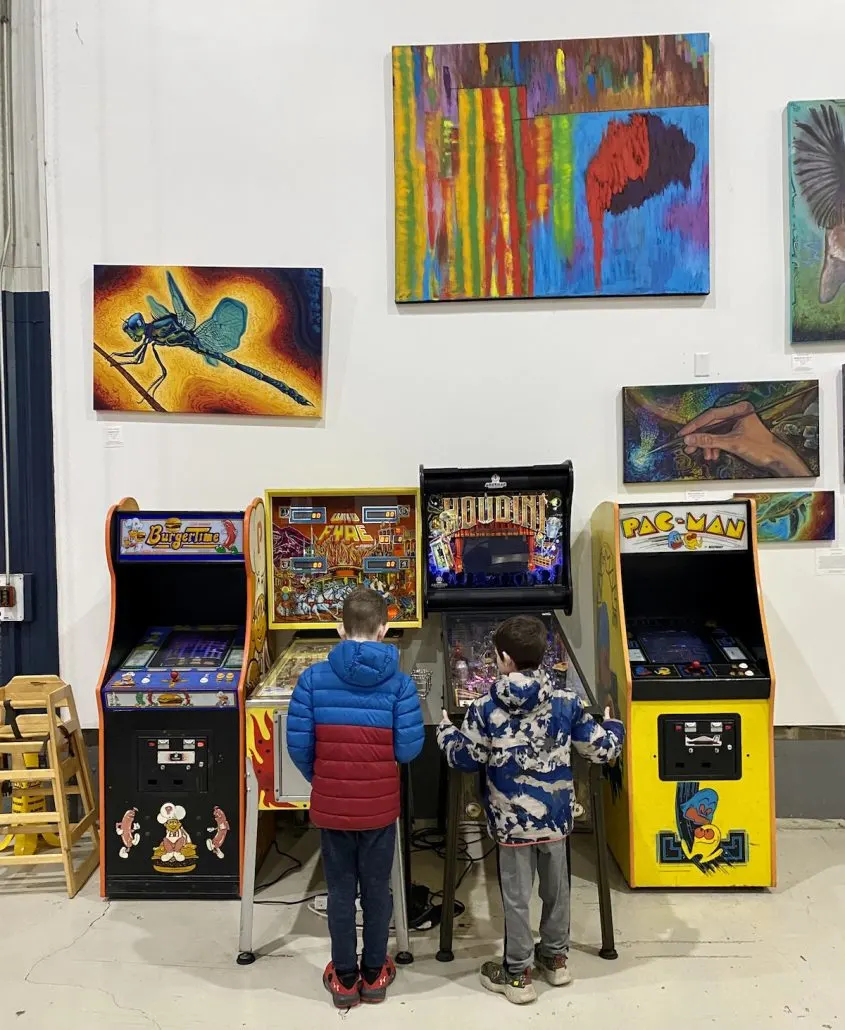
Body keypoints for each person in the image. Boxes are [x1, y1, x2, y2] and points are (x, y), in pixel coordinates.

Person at [437, 614, 624, 1006]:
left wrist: (444, 731)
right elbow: (603, 750)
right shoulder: (566, 703)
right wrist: (614, 726)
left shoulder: (484, 707)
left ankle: (518, 972)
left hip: (511, 824)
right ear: (543, 656)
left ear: (503, 658)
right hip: (556, 818)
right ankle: (556, 958)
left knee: (517, 897)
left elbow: (465, 759)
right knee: (557, 889)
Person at [286, 587, 424, 1009]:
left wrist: (324, 779)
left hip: (331, 807)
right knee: (377, 890)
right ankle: (375, 973)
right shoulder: (400, 684)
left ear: (339, 627)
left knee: (341, 891)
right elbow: (408, 750)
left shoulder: (312, 678)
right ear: (385, 628)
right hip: (380, 808)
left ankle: (344, 978)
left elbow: (298, 745)